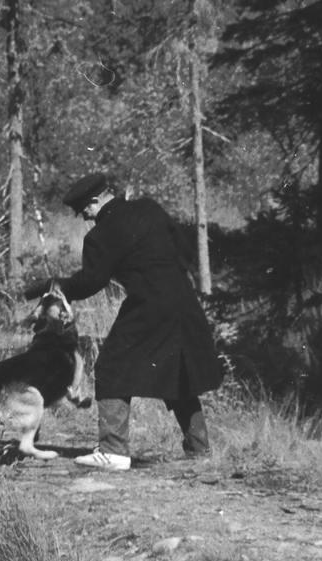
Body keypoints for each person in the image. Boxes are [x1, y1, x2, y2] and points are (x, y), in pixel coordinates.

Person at [24, 172, 222, 470]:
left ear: (95, 201)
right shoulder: (149, 208)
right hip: (184, 298)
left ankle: (113, 451)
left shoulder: (101, 235)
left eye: (84, 211)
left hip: (149, 305)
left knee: (110, 365)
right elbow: (184, 247)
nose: (85, 218)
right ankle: (200, 450)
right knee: (179, 370)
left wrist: (53, 285)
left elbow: (91, 282)